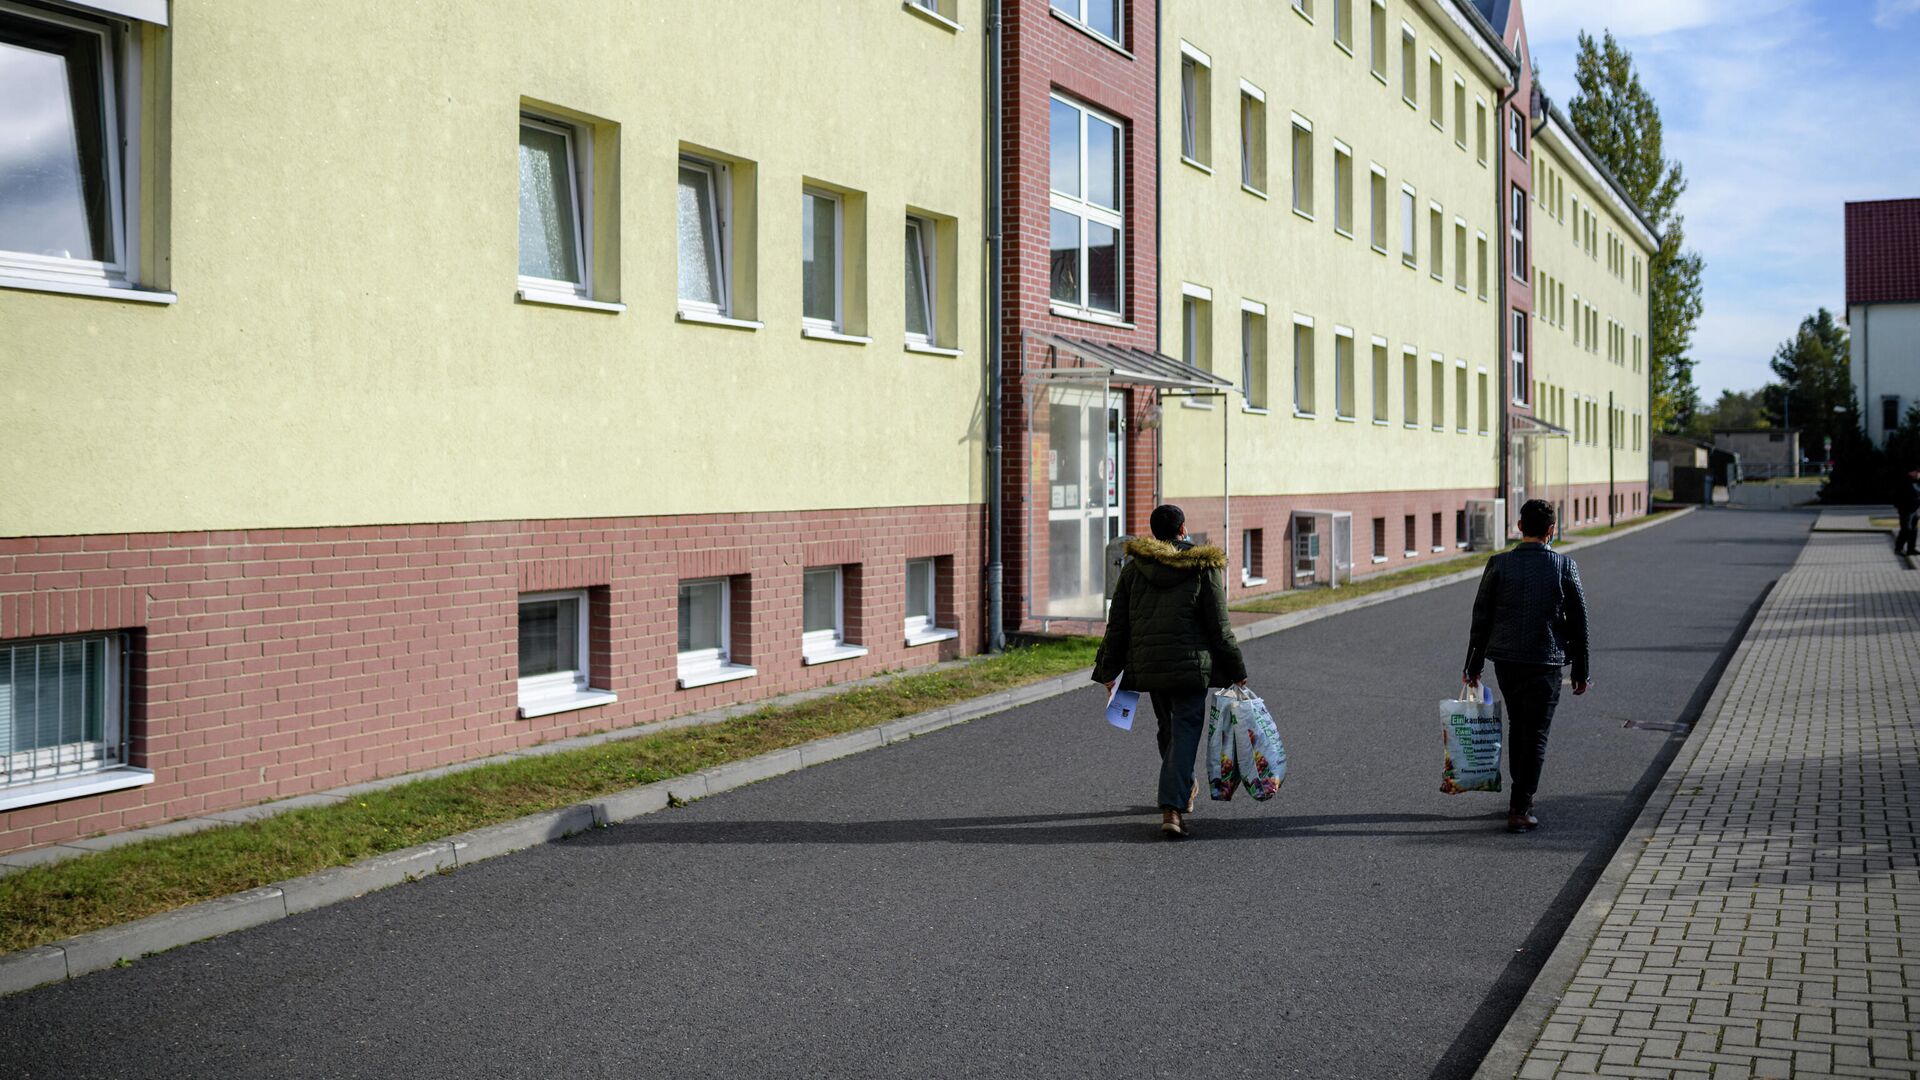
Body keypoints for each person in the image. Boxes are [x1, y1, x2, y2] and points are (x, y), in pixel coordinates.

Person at [1092, 504, 1248, 838]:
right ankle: (1172, 807)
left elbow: (1117, 624)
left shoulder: (1134, 569)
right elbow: (1219, 627)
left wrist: (1109, 669)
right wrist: (1237, 669)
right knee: (1186, 730)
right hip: (1191, 668)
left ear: (1155, 533)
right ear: (1182, 530)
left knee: (1169, 728)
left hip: (1150, 667)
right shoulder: (1202, 567)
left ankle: (1182, 788)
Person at [1461, 499, 1590, 834]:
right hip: (1546, 662)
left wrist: (1473, 665)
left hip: (1506, 660)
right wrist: (1581, 672)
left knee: (1519, 726)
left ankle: (1519, 799)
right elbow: (1579, 622)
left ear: (1519, 527)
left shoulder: (1499, 564)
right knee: (1536, 734)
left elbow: (1481, 618)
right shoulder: (1565, 566)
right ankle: (1520, 806)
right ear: (1551, 530)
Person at [1893, 464, 1919, 557]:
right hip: (1905, 510)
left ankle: (1911, 549)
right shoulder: (1903, 482)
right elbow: (1896, 495)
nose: (1918, 473)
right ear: (1910, 472)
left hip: (1914, 510)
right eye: (1916, 472)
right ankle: (1898, 549)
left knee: (1914, 530)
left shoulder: (1916, 482)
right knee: (1905, 530)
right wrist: (1900, 507)